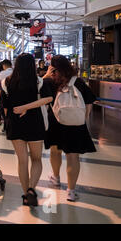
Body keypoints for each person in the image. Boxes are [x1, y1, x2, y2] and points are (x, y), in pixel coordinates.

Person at [0, 53, 53, 206]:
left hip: (15, 123)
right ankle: (31, 189)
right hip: (34, 123)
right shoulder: (38, 82)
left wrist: (12, 116)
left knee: (22, 161)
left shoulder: (7, 82)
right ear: (32, 65)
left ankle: (25, 195)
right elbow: (48, 99)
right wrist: (27, 107)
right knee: (36, 159)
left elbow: (5, 107)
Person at [43, 55, 97, 202]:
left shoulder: (50, 82)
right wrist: (83, 118)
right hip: (75, 124)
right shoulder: (78, 82)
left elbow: (38, 93)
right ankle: (71, 191)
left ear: (52, 67)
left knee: (55, 151)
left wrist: (47, 75)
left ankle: (56, 178)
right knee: (73, 157)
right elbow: (89, 101)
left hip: (55, 122)